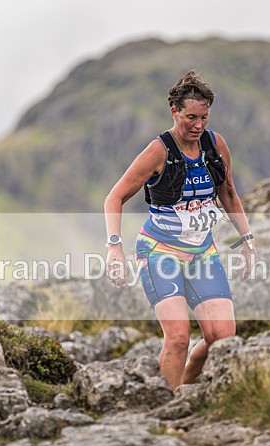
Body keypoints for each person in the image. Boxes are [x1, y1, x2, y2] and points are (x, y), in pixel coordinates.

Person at [103, 70, 255, 390]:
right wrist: (114, 247)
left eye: (204, 117)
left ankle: (183, 389)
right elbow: (114, 197)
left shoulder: (215, 145)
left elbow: (228, 192)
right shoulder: (158, 151)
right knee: (178, 337)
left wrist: (248, 240)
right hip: (160, 253)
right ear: (174, 112)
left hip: (202, 252)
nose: (198, 126)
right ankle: (167, 404)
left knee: (222, 338)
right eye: (190, 118)